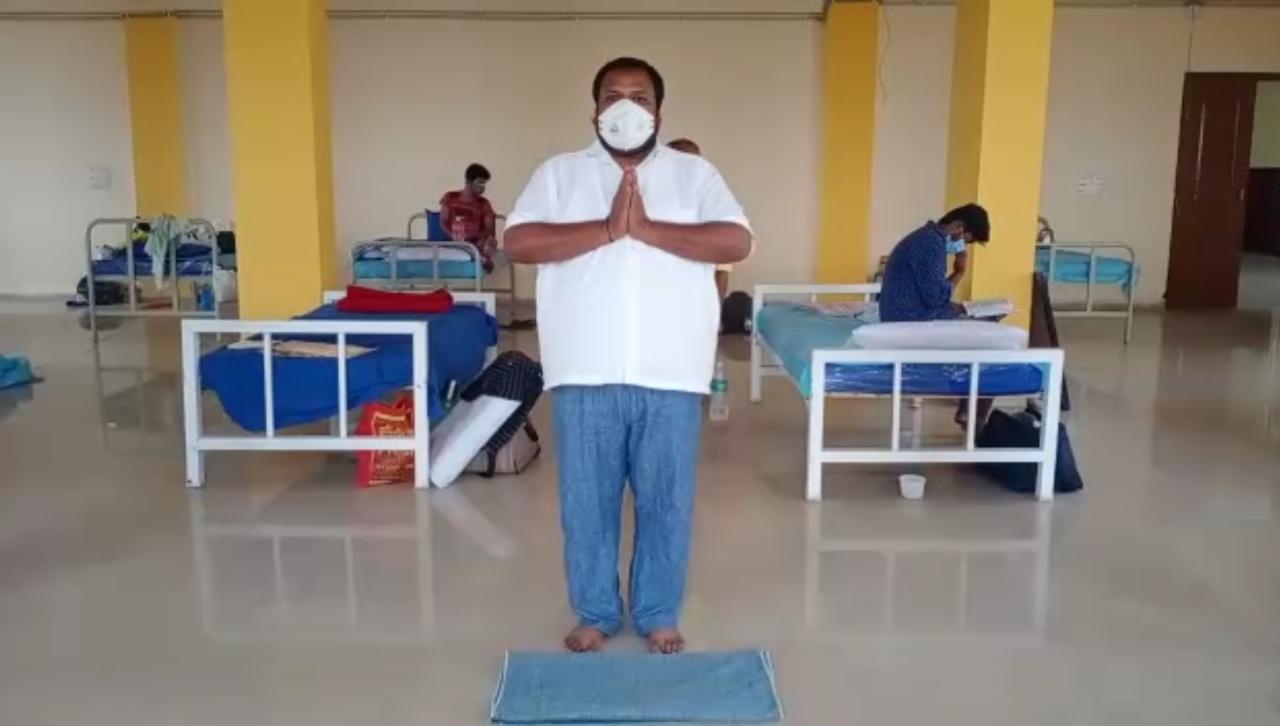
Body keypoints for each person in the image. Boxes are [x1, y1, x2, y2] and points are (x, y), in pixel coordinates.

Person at [504, 57, 752, 655]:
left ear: (658, 112)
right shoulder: (559, 174)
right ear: (594, 110)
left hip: (670, 371)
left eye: (638, 97)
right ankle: (595, 611)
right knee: (586, 504)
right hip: (584, 370)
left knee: (666, 502)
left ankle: (657, 612)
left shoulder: (694, 174)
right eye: (612, 95)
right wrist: (607, 229)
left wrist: (645, 228)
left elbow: (736, 240)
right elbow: (519, 241)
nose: (625, 107)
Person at [878, 203, 990, 323]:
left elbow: (934, 295)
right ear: (959, 226)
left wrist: (959, 308)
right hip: (908, 318)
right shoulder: (931, 243)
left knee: (968, 312)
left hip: (905, 312)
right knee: (987, 321)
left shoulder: (926, 236)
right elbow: (935, 300)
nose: (962, 247)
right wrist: (959, 272)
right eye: (966, 241)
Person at [666, 138, 731, 301]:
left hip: (696, 299)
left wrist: (717, 311)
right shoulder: (645, 198)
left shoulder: (712, 206)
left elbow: (722, 268)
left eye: (694, 162)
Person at [439, 163, 499, 272]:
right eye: (480, 183)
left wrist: (472, 236)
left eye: (484, 183)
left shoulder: (483, 203)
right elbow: (443, 222)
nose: (483, 187)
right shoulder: (450, 197)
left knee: (489, 242)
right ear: (469, 181)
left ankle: (482, 259)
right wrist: (453, 235)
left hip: (477, 242)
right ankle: (476, 256)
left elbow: (489, 228)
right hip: (454, 239)